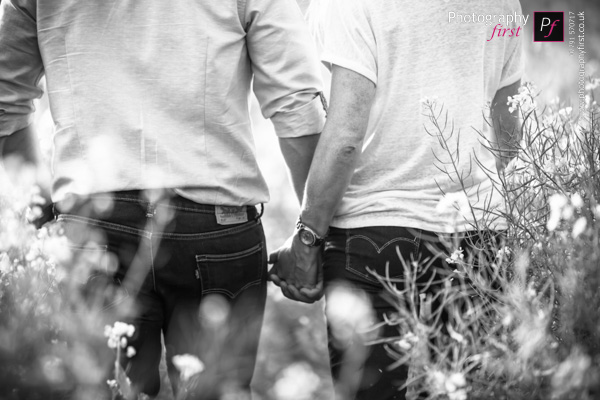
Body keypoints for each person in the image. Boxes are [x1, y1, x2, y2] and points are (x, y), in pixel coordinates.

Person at [0, 0, 326, 397]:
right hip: (216, 229)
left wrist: (40, 222)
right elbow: (297, 107)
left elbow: (4, 103)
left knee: (103, 389)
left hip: (90, 229)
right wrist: (313, 237)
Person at [269, 0, 524, 399]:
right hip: (480, 238)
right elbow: (508, 139)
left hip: (374, 238)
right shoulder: (505, 4)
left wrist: (307, 238)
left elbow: (345, 140)